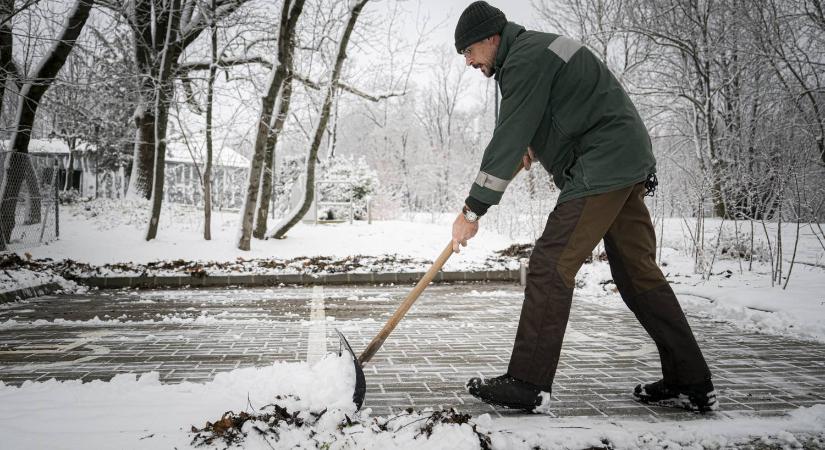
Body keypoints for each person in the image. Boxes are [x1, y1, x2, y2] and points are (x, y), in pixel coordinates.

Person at [450, 1, 717, 413]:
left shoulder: (523, 60)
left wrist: (472, 210)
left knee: (549, 264)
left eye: (468, 51)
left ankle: (528, 382)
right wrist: (534, 145)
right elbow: (566, 111)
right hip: (623, 157)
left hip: (602, 163)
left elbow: (507, 135)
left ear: (491, 37)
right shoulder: (536, 50)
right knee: (636, 274)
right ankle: (690, 378)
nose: (468, 61)